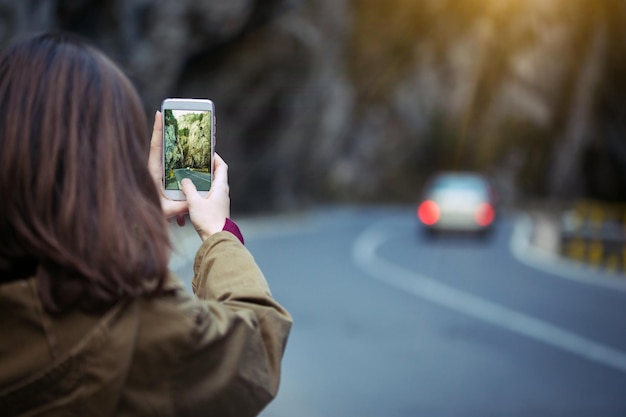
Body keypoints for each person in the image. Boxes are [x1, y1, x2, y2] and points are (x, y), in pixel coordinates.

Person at [0, 32, 292, 416]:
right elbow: (255, 355)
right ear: (109, 161)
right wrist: (221, 235)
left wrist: (132, 217)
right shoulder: (133, 322)